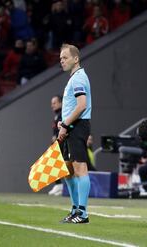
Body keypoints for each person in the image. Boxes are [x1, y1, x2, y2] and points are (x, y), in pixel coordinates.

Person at [58, 43, 92, 224]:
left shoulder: (78, 78)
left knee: (80, 168)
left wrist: (65, 125)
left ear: (76, 58)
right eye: (61, 59)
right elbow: (74, 106)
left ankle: (83, 213)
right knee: (68, 170)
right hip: (72, 126)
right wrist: (63, 123)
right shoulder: (75, 78)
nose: (62, 61)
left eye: (65, 58)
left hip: (77, 126)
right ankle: (75, 209)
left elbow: (82, 105)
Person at [48, 95, 64, 196]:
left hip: (62, 143)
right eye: (51, 103)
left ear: (61, 103)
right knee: (53, 162)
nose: (52, 105)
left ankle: (60, 186)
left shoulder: (63, 114)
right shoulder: (57, 115)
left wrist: (57, 136)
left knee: (55, 162)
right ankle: (59, 185)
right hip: (57, 142)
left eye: (54, 103)